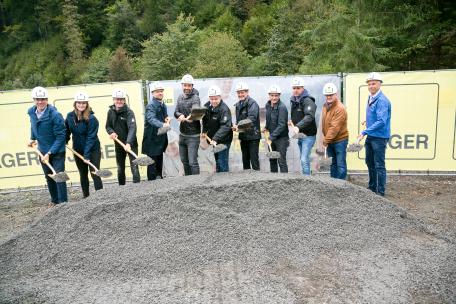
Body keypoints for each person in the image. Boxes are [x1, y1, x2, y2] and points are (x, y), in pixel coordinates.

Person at [27, 86, 67, 205]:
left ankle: (63, 204)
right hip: (42, 150)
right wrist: (32, 138)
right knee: (49, 177)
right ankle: (54, 201)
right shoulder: (31, 112)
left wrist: (49, 153)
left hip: (57, 151)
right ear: (34, 100)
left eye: (43, 99)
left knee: (59, 177)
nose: (40, 102)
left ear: (47, 99)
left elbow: (61, 137)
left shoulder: (55, 115)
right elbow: (34, 126)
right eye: (37, 99)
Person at [358, 72, 391, 196]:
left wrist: (364, 132)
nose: (371, 86)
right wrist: (368, 121)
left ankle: (380, 192)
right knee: (369, 162)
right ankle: (372, 188)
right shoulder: (371, 97)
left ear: (380, 84)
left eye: (374, 83)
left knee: (379, 165)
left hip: (379, 137)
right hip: (372, 136)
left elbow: (382, 121)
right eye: (369, 84)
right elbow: (376, 116)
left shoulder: (382, 100)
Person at [65, 92, 103, 198]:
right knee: (83, 174)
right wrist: (65, 140)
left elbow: (91, 138)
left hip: (93, 150)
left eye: (83, 103)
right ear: (75, 103)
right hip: (78, 150)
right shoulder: (70, 116)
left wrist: (86, 155)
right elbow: (67, 130)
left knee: (95, 172)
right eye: (79, 102)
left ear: (87, 104)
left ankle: (101, 196)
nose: (81, 105)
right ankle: (86, 196)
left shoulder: (92, 119)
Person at [106, 88, 140, 185]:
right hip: (118, 144)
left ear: (124, 100)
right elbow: (108, 126)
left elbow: (132, 128)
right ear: (114, 100)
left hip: (131, 145)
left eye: (121, 99)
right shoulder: (110, 112)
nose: (119, 101)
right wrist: (111, 132)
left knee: (135, 168)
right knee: (120, 168)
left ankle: (138, 189)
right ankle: (121, 188)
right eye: (117, 99)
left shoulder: (129, 112)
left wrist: (128, 143)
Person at [289, 77, 317, 175]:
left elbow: (309, 116)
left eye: (298, 88)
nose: (296, 90)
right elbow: (298, 115)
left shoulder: (308, 100)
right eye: (294, 88)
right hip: (301, 135)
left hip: (308, 136)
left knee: (304, 159)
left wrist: (298, 126)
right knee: (303, 159)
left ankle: (307, 181)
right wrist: (292, 121)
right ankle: (307, 178)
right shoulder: (294, 100)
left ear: (303, 88)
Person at [202, 85, 233, 173]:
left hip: (224, 140)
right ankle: (218, 182)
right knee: (217, 162)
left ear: (220, 97)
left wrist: (215, 138)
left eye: (216, 99)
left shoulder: (224, 109)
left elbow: (226, 126)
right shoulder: (206, 106)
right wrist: (204, 131)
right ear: (209, 98)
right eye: (212, 99)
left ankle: (224, 181)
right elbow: (204, 120)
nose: (214, 101)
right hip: (213, 139)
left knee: (222, 162)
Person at [174, 74, 201, 175]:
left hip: (193, 136)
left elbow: (196, 110)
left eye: (189, 86)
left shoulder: (195, 98)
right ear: (182, 85)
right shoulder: (180, 97)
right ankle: (188, 184)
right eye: (185, 85)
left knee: (192, 162)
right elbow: (175, 112)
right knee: (184, 161)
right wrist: (180, 115)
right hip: (182, 135)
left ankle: (197, 184)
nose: (187, 88)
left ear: (192, 86)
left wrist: (191, 116)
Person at [320, 83, 349, 179]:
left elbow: (334, 128)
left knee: (340, 165)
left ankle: (341, 186)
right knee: (333, 164)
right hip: (330, 140)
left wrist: (325, 141)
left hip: (340, 140)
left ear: (335, 95)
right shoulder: (325, 106)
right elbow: (325, 123)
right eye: (327, 95)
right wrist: (326, 139)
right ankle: (333, 185)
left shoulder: (340, 108)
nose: (329, 97)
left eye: (331, 95)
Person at [142, 82, 169, 180]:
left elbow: (164, 117)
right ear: (152, 93)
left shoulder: (162, 104)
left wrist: (166, 119)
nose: (160, 93)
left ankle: (159, 188)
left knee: (159, 166)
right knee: (152, 167)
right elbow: (151, 119)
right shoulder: (151, 105)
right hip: (152, 140)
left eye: (161, 91)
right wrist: (162, 124)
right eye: (158, 91)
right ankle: (151, 188)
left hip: (160, 139)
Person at [233, 82, 261, 171]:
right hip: (243, 137)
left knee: (254, 162)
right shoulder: (238, 105)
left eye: (242, 92)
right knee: (245, 162)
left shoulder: (253, 103)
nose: (240, 94)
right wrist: (236, 126)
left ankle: (257, 181)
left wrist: (239, 126)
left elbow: (251, 119)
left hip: (253, 137)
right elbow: (239, 121)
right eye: (239, 92)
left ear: (247, 92)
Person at [264, 85, 289, 173]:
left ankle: (285, 183)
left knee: (281, 161)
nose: (274, 97)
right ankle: (274, 181)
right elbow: (269, 119)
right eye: (272, 95)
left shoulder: (282, 107)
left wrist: (271, 137)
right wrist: (266, 127)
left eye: (276, 95)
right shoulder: (267, 106)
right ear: (269, 95)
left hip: (281, 139)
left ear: (279, 96)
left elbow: (282, 125)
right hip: (272, 138)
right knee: (272, 159)